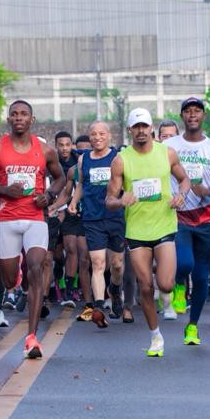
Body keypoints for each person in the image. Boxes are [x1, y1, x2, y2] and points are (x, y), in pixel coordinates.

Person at [0, 100, 67, 359]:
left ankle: (32, 337)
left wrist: (49, 195)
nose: (18, 118)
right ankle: (19, 282)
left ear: (31, 119)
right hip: (7, 220)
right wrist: (4, 190)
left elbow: (60, 178)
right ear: (9, 119)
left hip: (36, 218)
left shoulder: (45, 150)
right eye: (14, 114)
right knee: (8, 279)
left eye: (23, 114)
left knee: (37, 267)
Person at [105, 108, 190, 357]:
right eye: (136, 127)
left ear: (151, 128)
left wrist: (181, 195)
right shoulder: (121, 160)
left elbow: (184, 180)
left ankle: (171, 292)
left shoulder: (167, 152)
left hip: (164, 225)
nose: (141, 131)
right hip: (137, 231)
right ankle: (156, 337)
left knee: (164, 284)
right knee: (145, 286)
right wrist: (121, 201)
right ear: (130, 130)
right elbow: (109, 199)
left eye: (144, 126)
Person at [162, 97, 210, 347]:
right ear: (182, 116)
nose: (193, 115)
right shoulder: (169, 145)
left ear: (203, 116)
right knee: (184, 262)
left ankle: (192, 327)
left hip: (206, 218)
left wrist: (209, 192)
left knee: (202, 276)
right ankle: (180, 284)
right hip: (177, 215)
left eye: (197, 111)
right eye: (188, 111)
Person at [68, 120, 125, 328]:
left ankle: (116, 289)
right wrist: (74, 202)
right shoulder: (84, 160)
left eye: (102, 133)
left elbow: (125, 185)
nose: (97, 137)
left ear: (109, 136)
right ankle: (99, 306)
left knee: (117, 265)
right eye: (93, 134)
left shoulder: (118, 158)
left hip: (115, 217)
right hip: (92, 218)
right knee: (98, 263)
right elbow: (82, 183)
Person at [51, 131, 86, 309]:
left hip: (73, 212)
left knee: (74, 249)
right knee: (57, 255)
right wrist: (55, 206)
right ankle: (58, 277)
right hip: (56, 210)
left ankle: (71, 287)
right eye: (61, 145)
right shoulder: (50, 161)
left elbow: (70, 190)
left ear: (71, 145)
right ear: (55, 146)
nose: (64, 148)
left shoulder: (78, 161)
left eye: (67, 144)